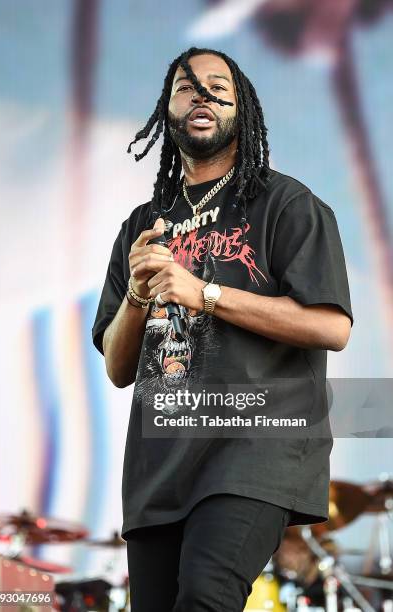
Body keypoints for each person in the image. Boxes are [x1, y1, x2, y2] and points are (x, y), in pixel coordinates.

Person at [92, 47, 353, 612]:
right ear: (168, 110)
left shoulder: (287, 204)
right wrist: (138, 295)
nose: (201, 96)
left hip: (254, 446)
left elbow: (332, 327)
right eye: (186, 88)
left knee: (206, 597)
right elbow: (117, 367)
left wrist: (204, 293)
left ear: (243, 109)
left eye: (217, 86)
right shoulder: (141, 225)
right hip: (159, 465)